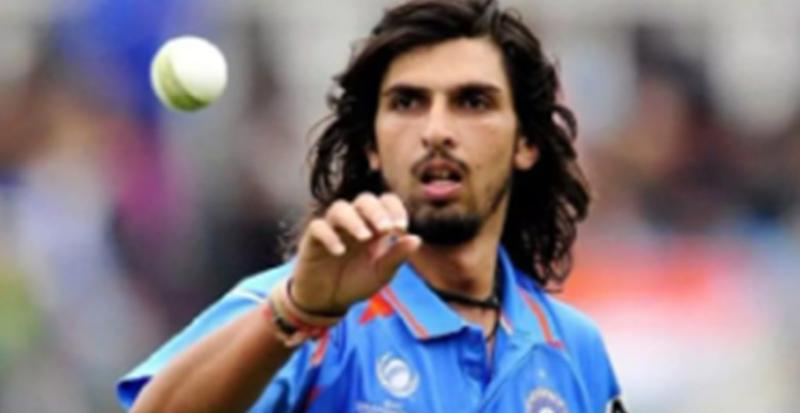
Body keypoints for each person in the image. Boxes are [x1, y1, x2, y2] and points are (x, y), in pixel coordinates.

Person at [118, 0, 625, 412]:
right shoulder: (304, 307)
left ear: (526, 143)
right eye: (407, 102)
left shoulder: (573, 348)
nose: (437, 131)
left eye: (473, 102)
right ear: (372, 146)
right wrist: (296, 314)